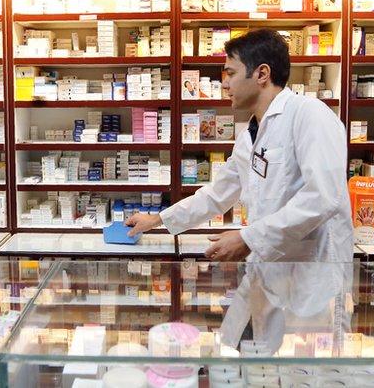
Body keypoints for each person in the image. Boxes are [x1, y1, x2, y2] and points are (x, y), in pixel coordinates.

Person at [127, 28, 352, 351]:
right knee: (250, 361)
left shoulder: (309, 115)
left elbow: (323, 197)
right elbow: (218, 193)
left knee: (307, 372)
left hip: (311, 280)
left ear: (262, 74)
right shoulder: (250, 134)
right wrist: (158, 219)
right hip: (269, 271)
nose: (224, 83)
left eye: (231, 73)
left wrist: (248, 237)